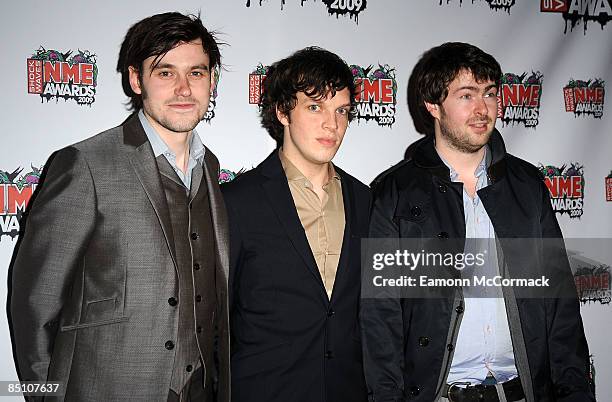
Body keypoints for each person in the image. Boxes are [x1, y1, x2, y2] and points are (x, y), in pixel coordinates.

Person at [9, 12, 230, 402]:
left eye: (196, 73)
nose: (183, 89)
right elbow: (35, 304)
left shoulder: (210, 167)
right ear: (135, 79)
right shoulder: (85, 163)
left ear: (211, 81)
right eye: (165, 73)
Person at [362, 42, 593, 402]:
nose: (482, 109)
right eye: (466, 95)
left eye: (490, 94)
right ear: (433, 105)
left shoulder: (528, 186)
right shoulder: (394, 194)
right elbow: (380, 318)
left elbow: (560, 304)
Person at [221, 47, 369, 402]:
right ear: (283, 111)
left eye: (342, 111)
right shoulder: (236, 202)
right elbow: (215, 321)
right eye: (315, 107)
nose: (332, 125)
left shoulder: (367, 201)